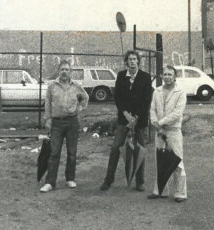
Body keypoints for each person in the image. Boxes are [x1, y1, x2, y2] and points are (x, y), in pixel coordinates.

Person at [100, 50, 153, 192]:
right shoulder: (121, 76)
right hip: (124, 120)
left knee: (139, 149)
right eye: (130, 59)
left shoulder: (146, 77)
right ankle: (108, 180)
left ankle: (140, 182)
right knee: (115, 148)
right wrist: (126, 114)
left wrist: (135, 117)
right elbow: (117, 97)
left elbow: (147, 100)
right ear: (126, 62)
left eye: (135, 59)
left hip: (139, 121)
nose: (132, 61)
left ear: (138, 61)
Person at [40, 60, 89, 193]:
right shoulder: (52, 86)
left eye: (67, 69)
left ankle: (70, 179)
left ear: (70, 72)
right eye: (62, 69)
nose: (64, 72)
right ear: (58, 71)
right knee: (54, 152)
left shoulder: (76, 86)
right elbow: (47, 102)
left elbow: (85, 97)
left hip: (72, 122)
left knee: (72, 152)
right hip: (56, 123)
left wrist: (79, 108)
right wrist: (47, 118)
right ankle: (50, 182)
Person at [148, 64, 187, 202]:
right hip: (159, 131)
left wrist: (161, 122)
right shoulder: (157, 91)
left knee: (177, 162)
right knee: (160, 160)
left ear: (175, 76)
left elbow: (178, 112)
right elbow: (152, 109)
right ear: (161, 76)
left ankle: (180, 193)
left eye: (170, 74)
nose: (167, 77)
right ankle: (160, 190)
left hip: (173, 131)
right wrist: (155, 123)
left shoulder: (180, 92)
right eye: (165, 74)